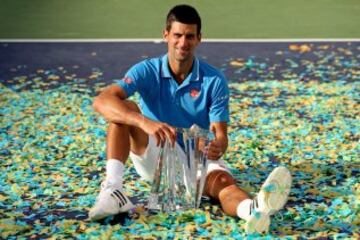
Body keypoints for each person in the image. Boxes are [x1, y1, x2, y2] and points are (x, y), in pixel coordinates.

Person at [88, 4, 292, 234]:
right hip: (156, 153)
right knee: (124, 109)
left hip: (197, 156)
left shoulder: (214, 80)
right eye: (177, 35)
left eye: (189, 36)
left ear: (199, 39)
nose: (183, 43)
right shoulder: (146, 70)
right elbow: (101, 101)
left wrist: (217, 146)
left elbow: (221, 135)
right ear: (165, 35)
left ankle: (252, 210)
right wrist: (144, 122)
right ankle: (113, 190)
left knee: (224, 184)